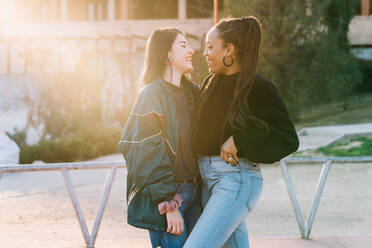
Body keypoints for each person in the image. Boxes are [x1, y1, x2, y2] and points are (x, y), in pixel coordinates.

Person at [184, 16, 299, 248]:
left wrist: (239, 140)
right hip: (208, 181)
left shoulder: (258, 88)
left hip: (235, 180)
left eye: (210, 46)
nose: (204, 53)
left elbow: (287, 139)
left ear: (230, 49)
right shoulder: (210, 83)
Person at [118, 27, 201, 248]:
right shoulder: (151, 95)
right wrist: (168, 203)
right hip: (170, 196)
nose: (191, 50)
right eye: (183, 45)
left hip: (195, 194)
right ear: (166, 54)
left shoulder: (194, 93)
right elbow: (143, 150)